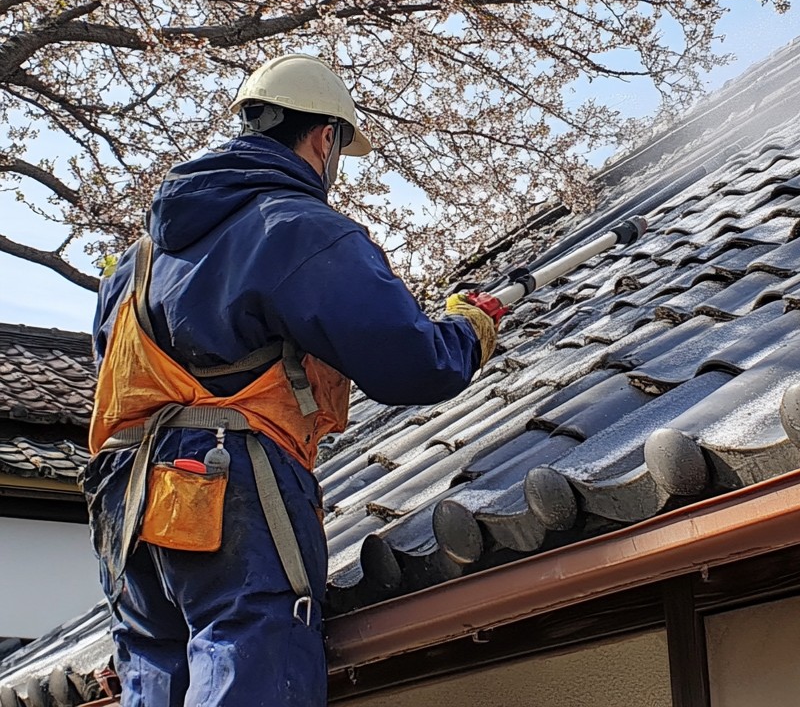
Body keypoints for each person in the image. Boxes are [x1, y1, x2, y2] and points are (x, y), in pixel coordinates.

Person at [83, 54, 504, 707]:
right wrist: (467, 328)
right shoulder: (296, 228)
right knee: (253, 652)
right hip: (221, 477)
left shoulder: (138, 261)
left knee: (156, 670)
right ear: (324, 138)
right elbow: (412, 361)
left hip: (124, 497)